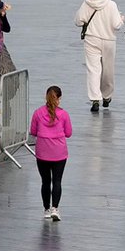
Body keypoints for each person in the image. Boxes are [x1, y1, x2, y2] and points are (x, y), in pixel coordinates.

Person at [75, 0, 125, 112]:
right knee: (108, 69)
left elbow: (78, 20)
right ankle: (107, 96)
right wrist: (121, 19)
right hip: (108, 40)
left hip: (92, 39)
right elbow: (116, 25)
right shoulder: (111, 5)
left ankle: (95, 99)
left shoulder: (87, 3)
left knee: (93, 69)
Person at [29, 86, 72, 221]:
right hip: (59, 153)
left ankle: (46, 209)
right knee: (57, 181)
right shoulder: (64, 115)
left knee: (45, 181)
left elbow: (33, 132)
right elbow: (69, 133)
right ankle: (55, 208)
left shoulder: (37, 113)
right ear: (59, 99)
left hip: (42, 152)